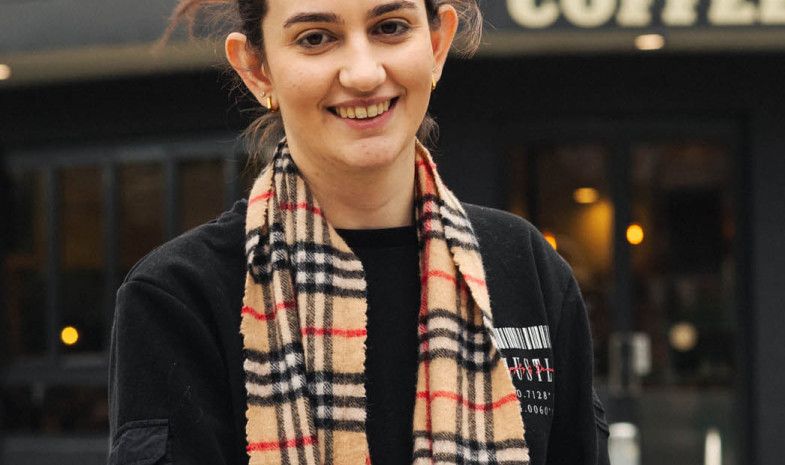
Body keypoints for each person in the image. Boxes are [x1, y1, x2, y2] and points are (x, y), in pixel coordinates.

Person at [108, 0, 610, 464]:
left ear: (437, 45)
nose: (365, 73)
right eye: (315, 38)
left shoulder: (525, 267)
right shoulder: (178, 295)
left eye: (390, 28)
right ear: (257, 70)